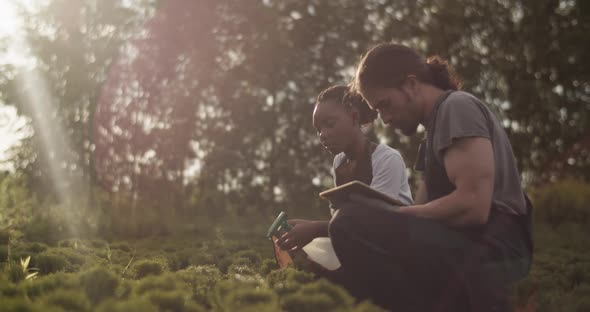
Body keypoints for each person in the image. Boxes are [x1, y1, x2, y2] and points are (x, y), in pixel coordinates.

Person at [322, 43, 531, 311]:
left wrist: (386, 217)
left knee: (350, 222)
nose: (385, 119)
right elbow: (419, 212)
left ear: (410, 84)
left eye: (385, 105)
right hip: (460, 243)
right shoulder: (432, 135)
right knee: (346, 248)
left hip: (493, 249)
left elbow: (473, 205)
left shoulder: (457, 107)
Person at [276, 85, 413, 291]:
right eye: (318, 129)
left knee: (331, 273)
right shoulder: (339, 163)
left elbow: (378, 223)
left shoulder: (387, 159)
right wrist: (304, 232)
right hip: (361, 247)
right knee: (307, 254)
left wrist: (314, 228)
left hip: (394, 250)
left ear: (354, 117)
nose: (323, 135)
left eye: (329, 124)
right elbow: (342, 224)